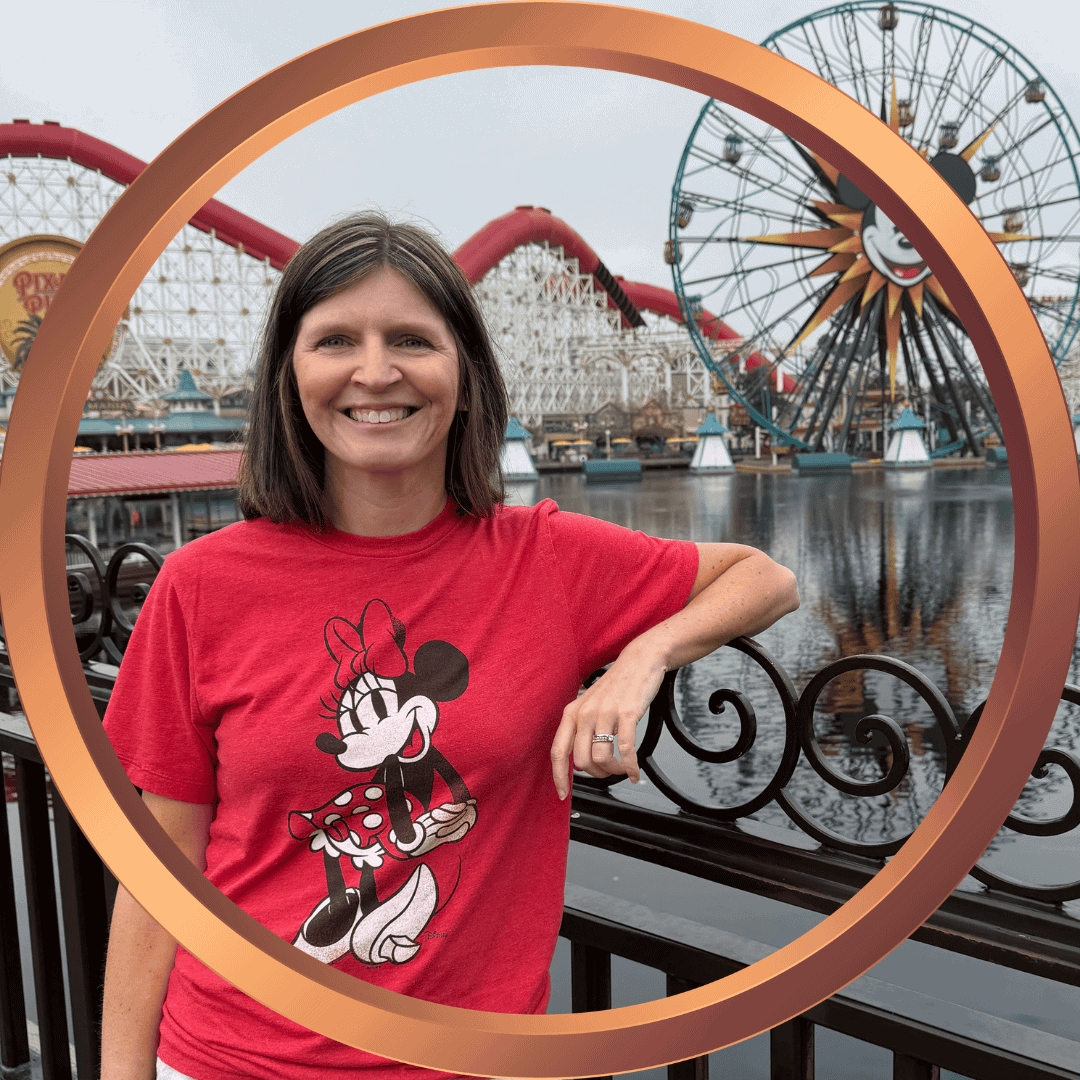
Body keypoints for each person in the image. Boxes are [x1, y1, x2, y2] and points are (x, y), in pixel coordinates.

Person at [100, 212, 799, 1080]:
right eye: (334, 341)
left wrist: (641, 660)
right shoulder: (201, 587)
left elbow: (764, 578)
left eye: (410, 339)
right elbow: (157, 877)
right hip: (229, 1060)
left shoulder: (545, 560)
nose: (375, 371)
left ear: (464, 374)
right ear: (289, 374)